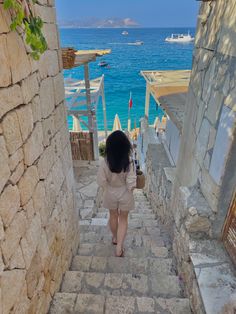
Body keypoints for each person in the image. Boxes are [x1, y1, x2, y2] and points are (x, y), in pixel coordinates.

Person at [97, 130, 136, 257]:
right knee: (123, 219)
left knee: (113, 216)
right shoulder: (129, 161)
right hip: (125, 193)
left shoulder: (105, 162)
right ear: (125, 146)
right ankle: (119, 246)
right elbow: (131, 182)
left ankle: (115, 237)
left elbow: (101, 181)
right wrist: (130, 189)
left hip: (110, 192)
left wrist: (107, 188)